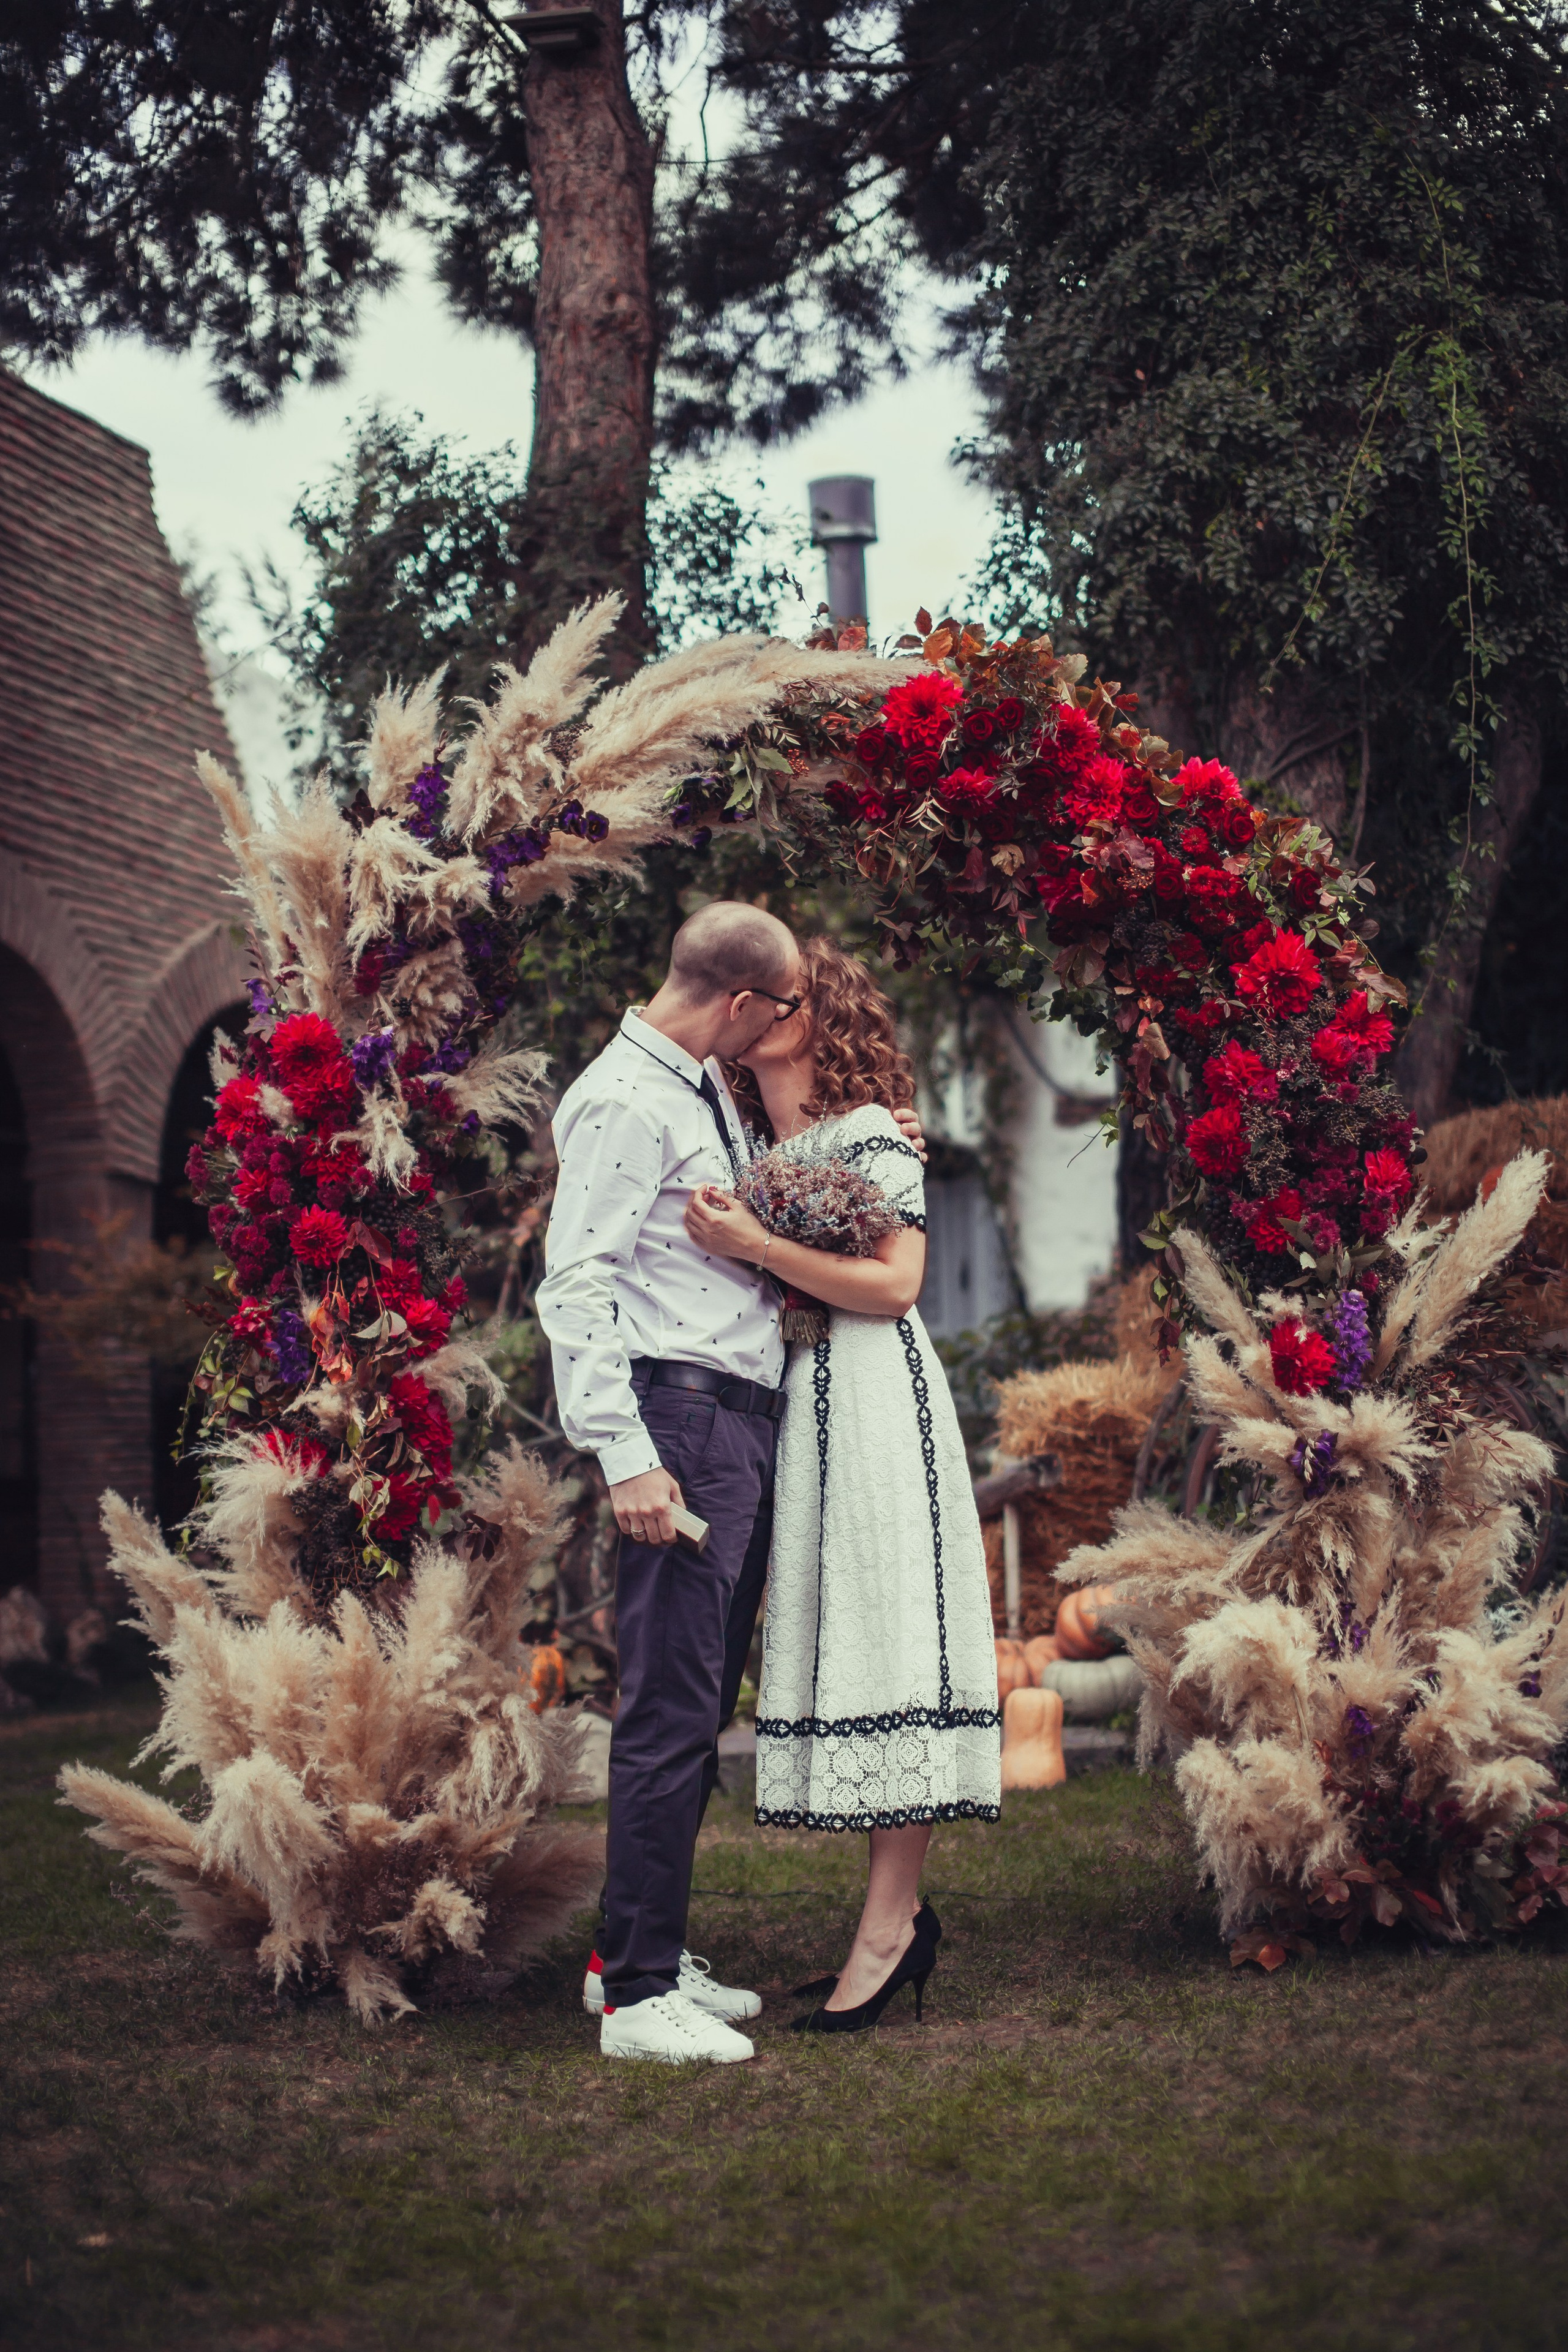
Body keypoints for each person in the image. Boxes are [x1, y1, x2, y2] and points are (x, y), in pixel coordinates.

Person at [537, 902, 925, 2065]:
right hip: (684, 1421)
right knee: (666, 1708)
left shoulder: (703, 1087)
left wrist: (875, 1141)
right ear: (746, 1004)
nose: (791, 1021)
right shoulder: (624, 1098)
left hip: (736, 1424)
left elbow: (768, 1194)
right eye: (788, 1001)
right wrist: (630, 1457)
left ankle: (635, 1956)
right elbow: (576, 1287)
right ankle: (638, 1992)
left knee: (698, 1704)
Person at [685, 936, 1000, 2033]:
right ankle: (887, 1921)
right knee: (842, 1631)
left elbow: (898, 1284)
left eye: (799, 997)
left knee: (889, 1626)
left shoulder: (873, 1135)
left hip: (872, 1398)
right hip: (793, 1406)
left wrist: (760, 1246)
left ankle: (892, 1925)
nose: (776, 1010)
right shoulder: (732, 1142)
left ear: (831, 1016)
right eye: (763, 997)